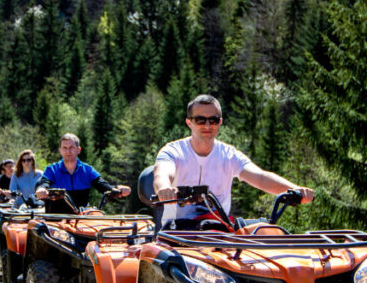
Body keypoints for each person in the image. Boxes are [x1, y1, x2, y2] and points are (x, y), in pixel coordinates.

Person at [153, 94, 313, 229]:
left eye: (213, 120)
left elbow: (260, 177)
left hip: (219, 229)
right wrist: (164, 189)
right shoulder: (173, 151)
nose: (207, 125)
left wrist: (294, 190)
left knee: (265, 230)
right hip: (178, 232)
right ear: (189, 122)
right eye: (200, 120)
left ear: (220, 122)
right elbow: (162, 173)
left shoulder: (229, 155)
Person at [35, 133, 131, 213]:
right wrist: (41, 189)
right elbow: (44, 182)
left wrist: (117, 189)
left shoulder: (87, 170)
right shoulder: (52, 170)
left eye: (71, 147)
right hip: (56, 222)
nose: (68, 151)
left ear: (78, 150)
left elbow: (102, 185)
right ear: (60, 150)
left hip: (80, 222)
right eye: (64, 148)